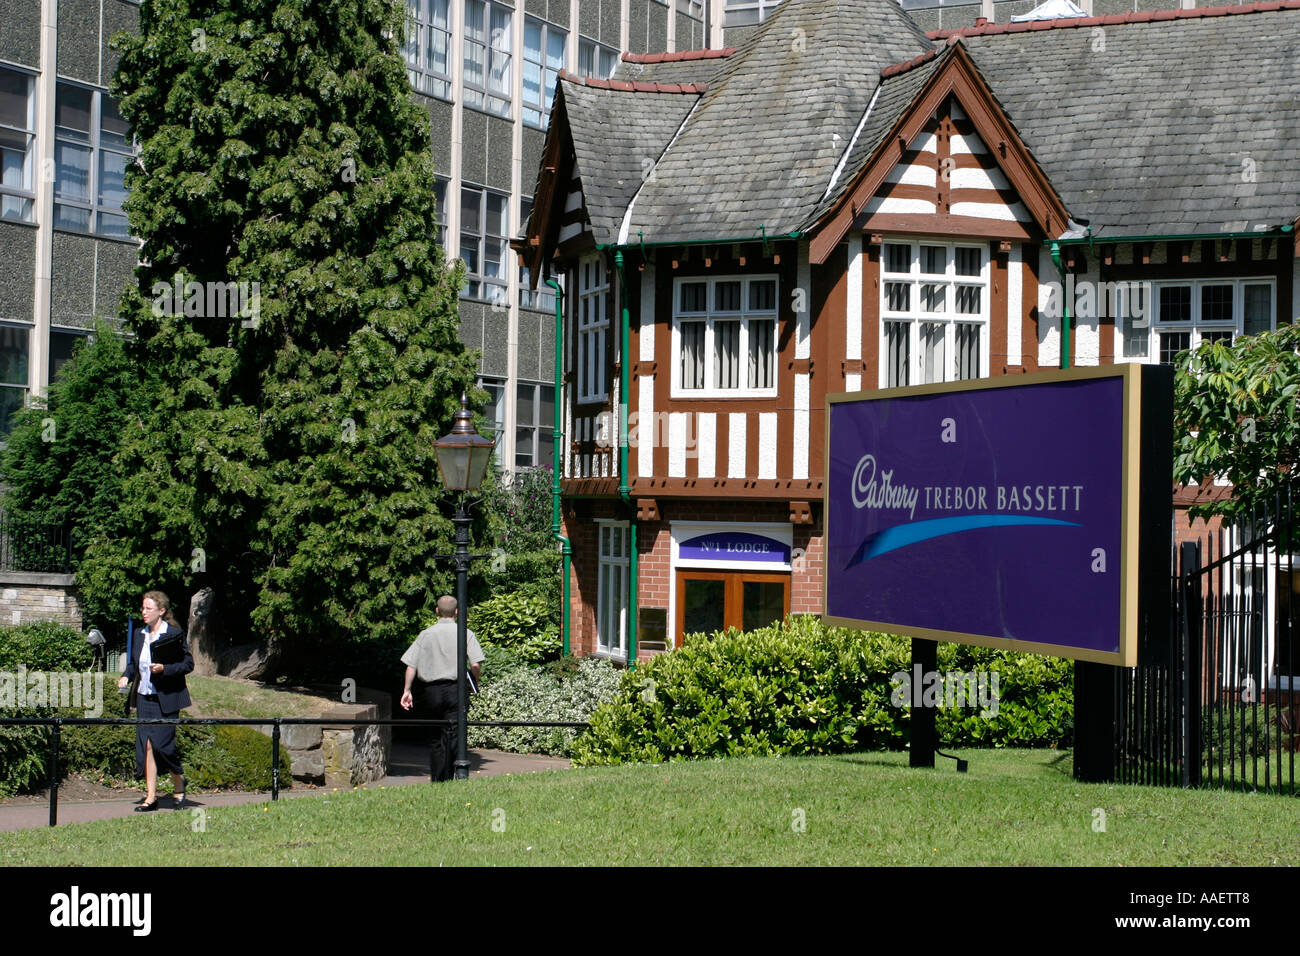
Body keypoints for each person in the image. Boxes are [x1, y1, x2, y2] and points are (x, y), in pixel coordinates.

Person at [117, 590, 193, 811]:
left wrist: (165, 669)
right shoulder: (139, 634)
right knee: (147, 747)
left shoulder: (174, 634)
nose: (144, 612)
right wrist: (125, 676)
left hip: (166, 699)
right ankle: (151, 797)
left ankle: (178, 780)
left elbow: (188, 665)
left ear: (161, 611)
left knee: (162, 746)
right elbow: (133, 664)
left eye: (148, 608)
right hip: (144, 698)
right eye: (142, 608)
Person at [400, 595, 484, 782]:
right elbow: (476, 665)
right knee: (454, 733)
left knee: (436, 736)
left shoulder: (426, 634)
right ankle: (452, 774)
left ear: (437, 611)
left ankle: (438, 778)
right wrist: (474, 682)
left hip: (431, 691)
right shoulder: (465, 633)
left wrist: (407, 690)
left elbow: (411, 665)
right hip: (456, 690)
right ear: (457, 612)